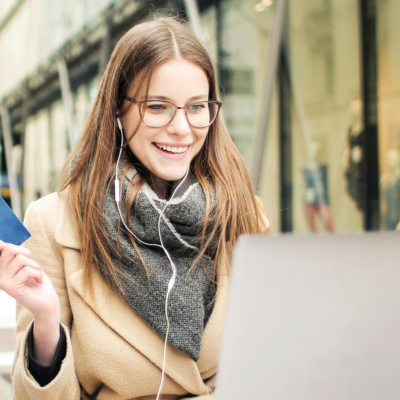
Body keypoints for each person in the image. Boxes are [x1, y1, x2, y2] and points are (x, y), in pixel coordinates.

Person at [0, 15, 269, 400]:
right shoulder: (54, 222)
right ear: (118, 111)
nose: (182, 128)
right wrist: (46, 320)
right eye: (158, 107)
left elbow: (268, 365)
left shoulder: (246, 216)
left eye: (197, 107)